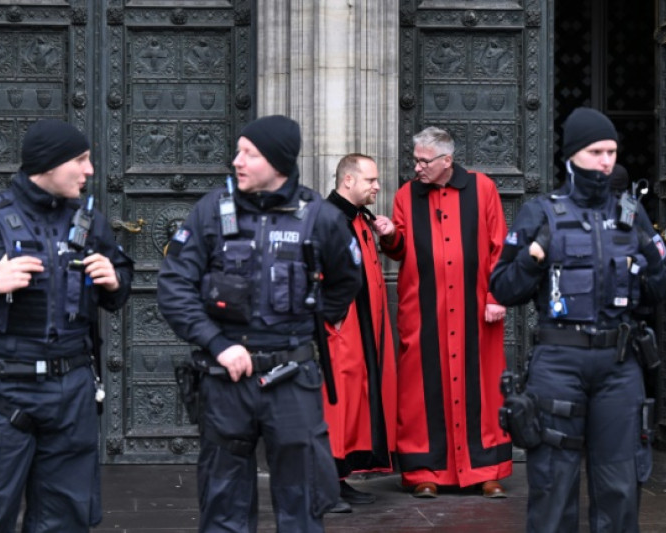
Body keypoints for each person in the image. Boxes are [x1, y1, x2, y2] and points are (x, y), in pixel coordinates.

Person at [0, 118, 134, 532]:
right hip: (7, 392)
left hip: (73, 391)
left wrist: (114, 278)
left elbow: (118, 290)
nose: (90, 170)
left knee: (67, 520)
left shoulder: (90, 223)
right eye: (81, 159)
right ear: (49, 164)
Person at [156, 115, 362, 532]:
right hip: (226, 377)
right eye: (238, 151)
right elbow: (174, 285)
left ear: (278, 162)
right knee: (222, 503)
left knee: (303, 502)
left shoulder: (320, 217)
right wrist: (216, 343)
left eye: (249, 153)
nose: (237, 161)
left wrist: (304, 324)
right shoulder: (212, 211)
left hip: (293, 378)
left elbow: (346, 281)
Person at [490, 107, 666, 532]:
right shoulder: (541, 213)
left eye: (611, 151)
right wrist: (534, 258)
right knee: (553, 486)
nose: (606, 161)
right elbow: (503, 288)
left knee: (621, 487)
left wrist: (649, 266)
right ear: (573, 155)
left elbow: (662, 288)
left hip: (618, 364)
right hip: (558, 363)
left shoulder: (632, 215)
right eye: (596, 151)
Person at [374, 126, 512, 498]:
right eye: (415, 159)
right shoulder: (406, 195)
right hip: (424, 311)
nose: (416, 167)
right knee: (423, 391)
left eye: (423, 161)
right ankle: (424, 473)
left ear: (446, 161)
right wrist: (389, 235)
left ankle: (487, 470)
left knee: (481, 387)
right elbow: (401, 249)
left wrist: (496, 295)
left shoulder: (483, 189)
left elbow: (501, 245)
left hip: (476, 310)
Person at [323, 154, 397, 513]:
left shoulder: (358, 219)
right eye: (370, 180)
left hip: (361, 330)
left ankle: (339, 480)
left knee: (351, 406)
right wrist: (331, 319)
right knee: (334, 407)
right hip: (340, 331)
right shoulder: (327, 219)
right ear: (348, 181)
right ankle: (325, 487)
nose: (377, 186)